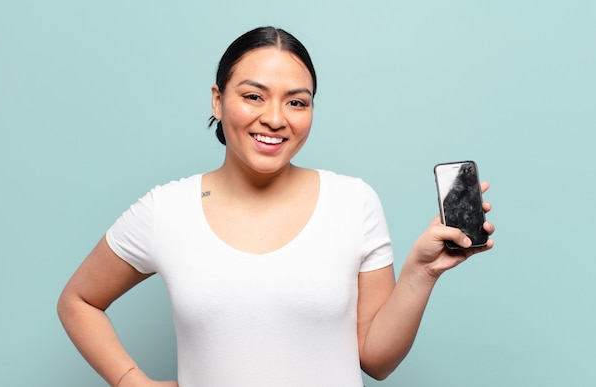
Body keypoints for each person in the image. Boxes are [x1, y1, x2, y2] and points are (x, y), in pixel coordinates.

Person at [57, 26, 495, 387]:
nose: (275, 118)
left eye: (297, 102)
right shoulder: (166, 210)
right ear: (217, 100)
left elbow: (375, 361)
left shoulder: (353, 202)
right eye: (253, 96)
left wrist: (422, 272)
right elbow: (78, 300)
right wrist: (132, 380)